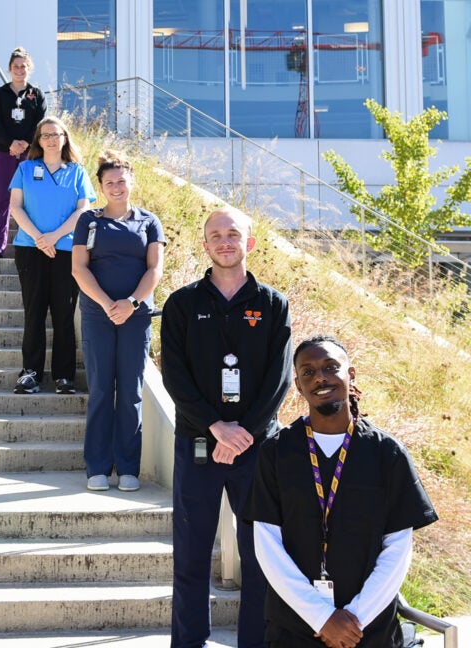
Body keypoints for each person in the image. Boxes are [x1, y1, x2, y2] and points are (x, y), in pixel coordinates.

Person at [246, 335, 438, 648]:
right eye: (307, 372)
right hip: (295, 629)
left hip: (369, 629)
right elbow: (268, 546)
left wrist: (354, 618)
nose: (319, 377)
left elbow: (398, 549)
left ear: (350, 374)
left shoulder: (387, 453)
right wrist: (321, 617)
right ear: (298, 385)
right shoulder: (277, 452)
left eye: (330, 367)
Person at [160, 205, 292, 648]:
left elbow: (280, 380)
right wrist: (217, 426)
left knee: (260, 558)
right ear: (205, 245)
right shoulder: (182, 304)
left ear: (249, 242)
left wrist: (244, 434)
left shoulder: (273, 304)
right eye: (215, 235)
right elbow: (174, 376)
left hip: (256, 449)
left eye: (232, 233)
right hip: (198, 443)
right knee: (192, 555)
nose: (224, 241)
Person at [71, 151, 165, 493]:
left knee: (130, 392)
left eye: (122, 181)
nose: (116, 187)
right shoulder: (89, 221)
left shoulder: (149, 221)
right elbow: (79, 268)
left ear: (131, 181)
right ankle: (97, 467)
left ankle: (128, 468)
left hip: (136, 317)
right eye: (109, 182)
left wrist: (132, 302)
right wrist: (108, 303)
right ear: (100, 186)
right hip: (98, 314)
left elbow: (155, 269)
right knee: (100, 390)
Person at [8, 116, 95, 395]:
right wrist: (38, 237)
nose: (51, 139)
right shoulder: (25, 168)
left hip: (67, 250)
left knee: (63, 313)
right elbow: (16, 208)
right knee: (34, 312)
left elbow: (83, 210)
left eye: (56, 134)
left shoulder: (77, 171)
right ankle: (30, 373)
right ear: (38, 139)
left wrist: (54, 237)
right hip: (30, 249)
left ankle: (64, 377)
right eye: (45, 135)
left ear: (65, 138)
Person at [0, 47, 47, 257]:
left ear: (29, 69)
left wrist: (26, 144)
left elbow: (40, 123)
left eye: (23, 66)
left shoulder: (36, 94)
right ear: (10, 69)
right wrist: (11, 142)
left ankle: (31, 244)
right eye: (16, 66)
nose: (20, 70)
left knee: (31, 199)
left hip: (31, 155)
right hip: (5, 152)